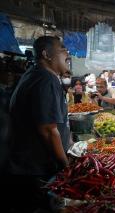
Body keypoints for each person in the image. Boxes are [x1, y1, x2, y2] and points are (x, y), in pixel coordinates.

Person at [8, 36, 70, 212]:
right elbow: (49, 131)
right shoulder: (46, 80)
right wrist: (66, 166)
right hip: (36, 167)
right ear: (47, 55)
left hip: (24, 164)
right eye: (62, 49)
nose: (67, 52)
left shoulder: (34, 74)